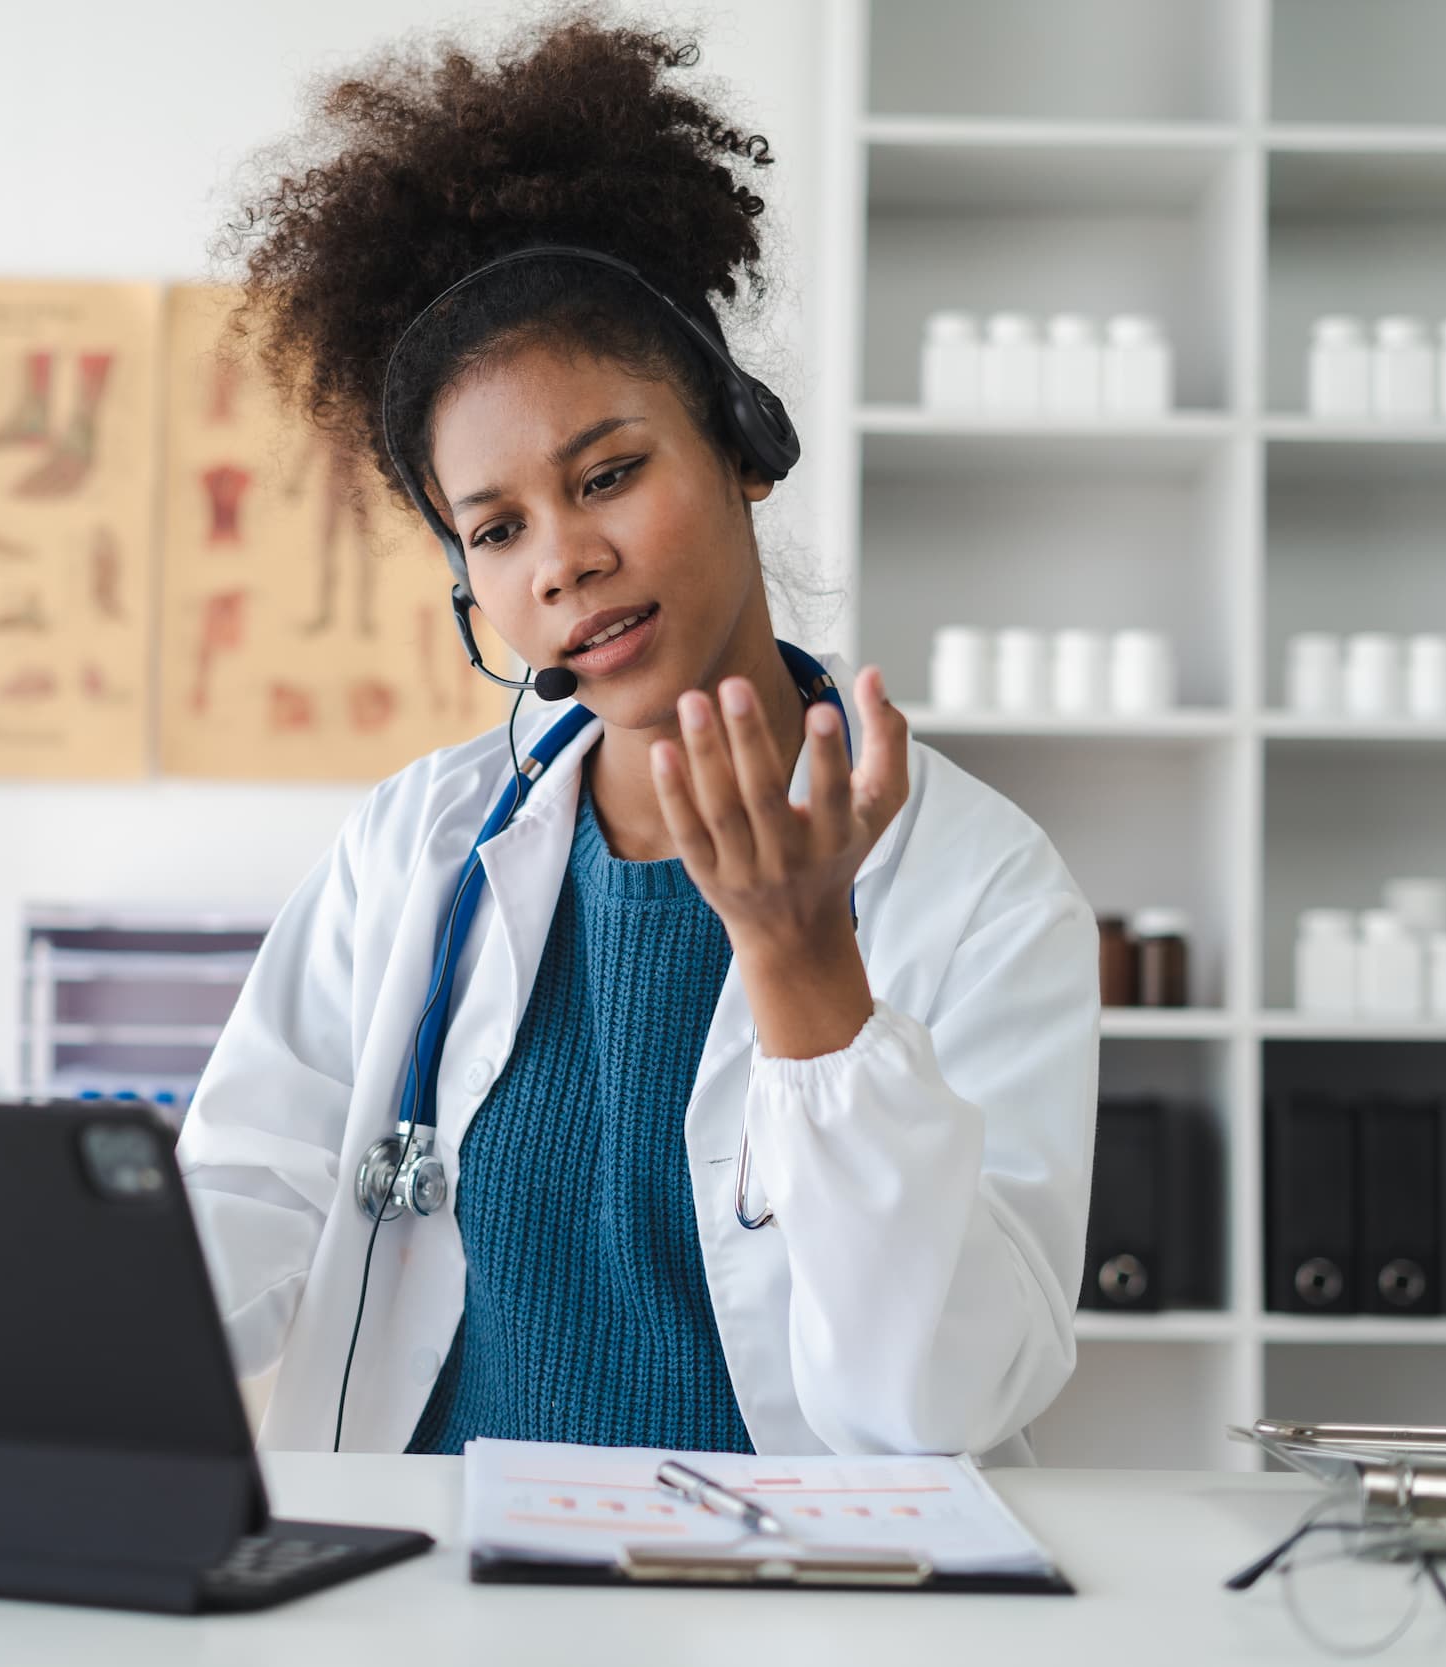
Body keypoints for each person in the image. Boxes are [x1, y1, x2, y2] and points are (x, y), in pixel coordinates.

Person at [178, 9, 1098, 1463]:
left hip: (782, 1596)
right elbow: (240, 1195)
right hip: (443, 1588)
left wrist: (808, 972)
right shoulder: (418, 847)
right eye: (496, 528)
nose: (563, 561)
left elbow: (936, 1405)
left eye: (607, 473)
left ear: (741, 448)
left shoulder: (977, 882)